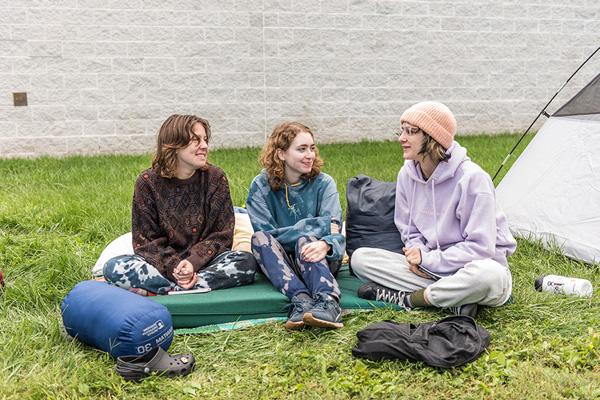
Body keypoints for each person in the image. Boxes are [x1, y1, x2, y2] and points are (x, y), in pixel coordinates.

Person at [351, 102, 516, 318]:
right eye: (402, 130)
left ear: (432, 138)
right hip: (429, 271)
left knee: (490, 276)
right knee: (361, 259)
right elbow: (409, 231)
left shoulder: (472, 179)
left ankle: (411, 299)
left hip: (472, 269)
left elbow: (481, 248)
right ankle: (453, 299)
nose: (402, 138)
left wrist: (429, 260)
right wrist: (417, 257)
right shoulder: (406, 175)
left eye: (411, 131)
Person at [103, 114, 257, 295]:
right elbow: (145, 241)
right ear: (174, 144)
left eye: (205, 140)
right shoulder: (147, 183)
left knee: (246, 263)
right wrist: (175, 267)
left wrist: (193, 263)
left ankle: (173, 289)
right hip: (161, 267)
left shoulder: (215, 178)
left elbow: (222, 235)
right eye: (195, 140)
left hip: (205, 265)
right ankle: (182, 287)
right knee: (113, 267)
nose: (205, 146)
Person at [246, 122, 345, 330]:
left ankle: (328, 302)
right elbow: (267, 235)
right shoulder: (260, 185)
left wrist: (325, 244)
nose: (310, 155)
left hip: (319, 258)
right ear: (281, 154)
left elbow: (335, 232)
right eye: (301, 149)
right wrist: (319, 225)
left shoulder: (324, 183)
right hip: (281, 264)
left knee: (305, 241)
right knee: (259, 240)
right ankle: (301, 301)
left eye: (312, 148)